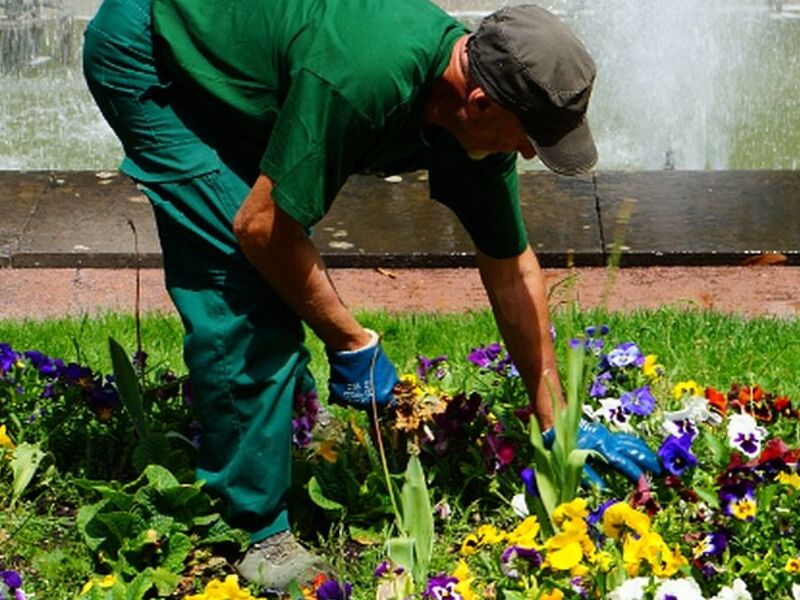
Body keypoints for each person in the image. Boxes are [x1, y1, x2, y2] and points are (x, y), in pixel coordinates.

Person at [83, 0, 661, 590]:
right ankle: (254, 528)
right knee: (244, 283)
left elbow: (512, 269)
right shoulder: (364, 80)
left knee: (277, 240)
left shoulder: (473, 120)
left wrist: (556, 421)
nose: (531, 154)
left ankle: (290, 426)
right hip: (152, 50)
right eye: (531, 137)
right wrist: (350, 340)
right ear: (481, 103)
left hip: (238, 54)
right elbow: (263, 230)